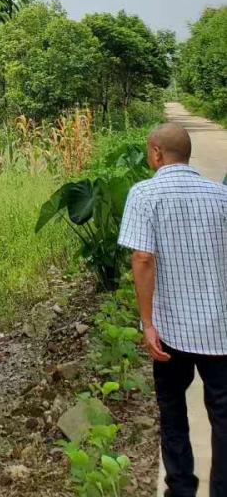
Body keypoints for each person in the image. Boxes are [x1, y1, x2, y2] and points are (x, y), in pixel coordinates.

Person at [119, 122, 227, 497]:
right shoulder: (220, 196)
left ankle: (180, 488)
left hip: (170, 330)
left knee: (173, 410)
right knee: (223, 417)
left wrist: (147, 323)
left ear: (156, 153)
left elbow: (143, 257)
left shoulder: (145, 194)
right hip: (219, 330)